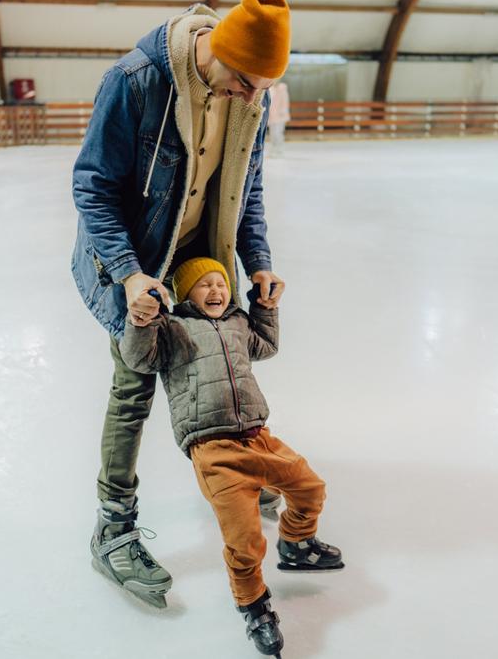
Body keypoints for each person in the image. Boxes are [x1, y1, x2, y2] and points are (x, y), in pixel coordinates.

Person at [71, 0, 290, 608]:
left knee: (223, 363)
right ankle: (111, 527)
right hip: (137, 259)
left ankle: (237, 470)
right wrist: (129, 275)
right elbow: (92, 185)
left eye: (265, 88)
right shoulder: (136, 80)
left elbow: (248, 189)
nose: (254, 99)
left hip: (200, 249)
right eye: (247, 82)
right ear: (217, 50)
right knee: (134, 383)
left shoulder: (251, 93)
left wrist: (259, 260)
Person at [120, 258, 342, 657]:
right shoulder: (172, 328)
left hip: (259, 437)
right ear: (186, 294)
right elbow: (140, 359)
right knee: (244, 540)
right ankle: (254, 606)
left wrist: (265, 307)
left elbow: (267, 346)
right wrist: (140, 321)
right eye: (203, 286)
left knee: (310, 488)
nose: (216, 291)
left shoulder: (239, 322)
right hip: (214, 452)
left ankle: (296, 544)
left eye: (220, 284)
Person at [267, 81, 290, 157]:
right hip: (272, 115)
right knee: (272, 133)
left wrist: (283, 111)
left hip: (280, 115)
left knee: (278, 133)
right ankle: (273, 149)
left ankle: (279, 149)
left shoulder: (282, 88)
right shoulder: (270, 88)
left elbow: (285, 100)